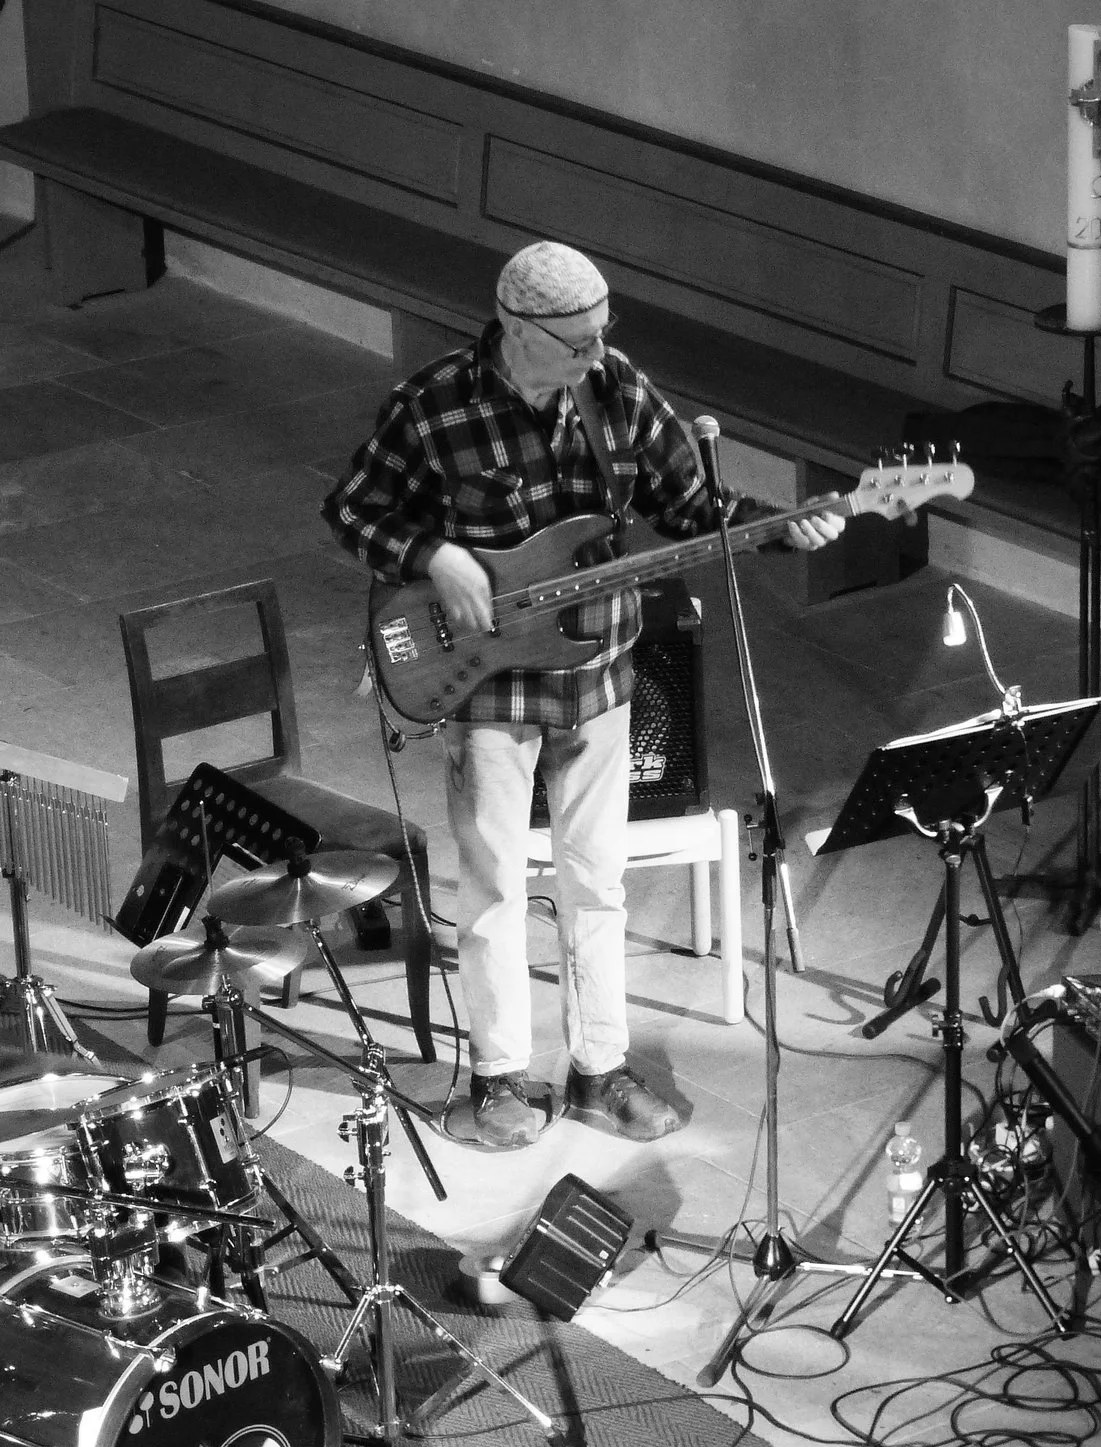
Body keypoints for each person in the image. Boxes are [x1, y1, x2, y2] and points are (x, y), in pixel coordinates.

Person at [323, 241, 842, 1151]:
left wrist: (779, 527)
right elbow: (354, 509)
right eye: (578, 341)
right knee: (493, 884)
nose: (598, 353)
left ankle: (600, 1069)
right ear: (516, 329)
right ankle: (497, 1078)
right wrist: (433, 556)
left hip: (599, 671)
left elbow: (693, 506)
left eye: (604, 332)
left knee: (597, 881)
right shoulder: (434, 404)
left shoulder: (617, 390)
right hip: (486, 684)